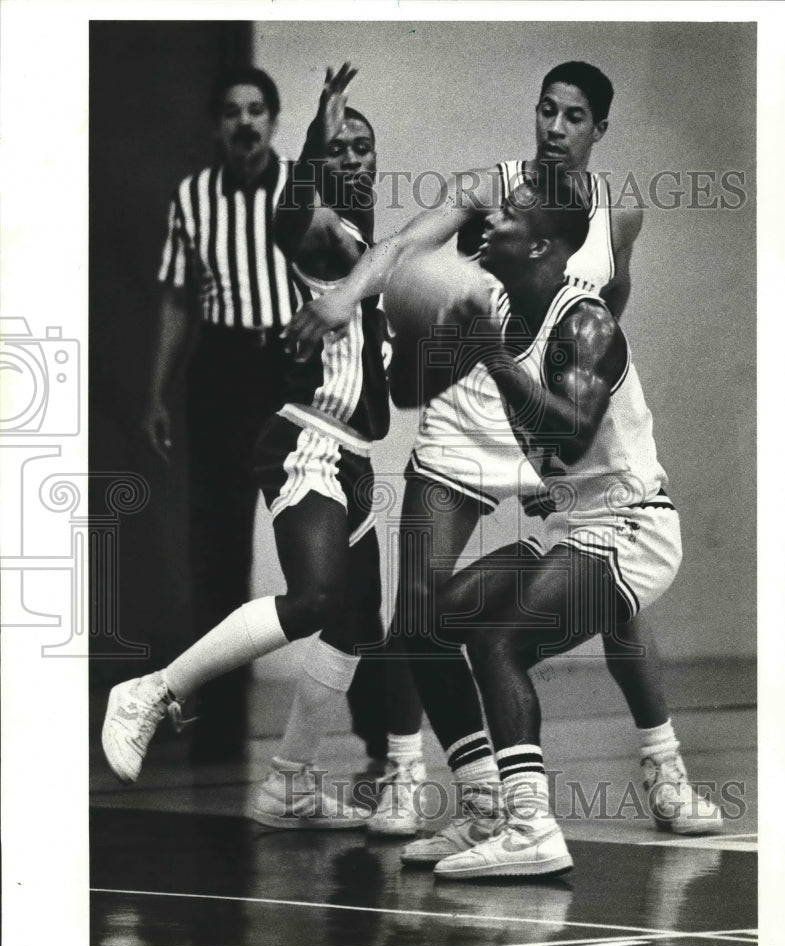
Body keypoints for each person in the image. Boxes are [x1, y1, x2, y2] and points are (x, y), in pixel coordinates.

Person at [283, 62, 722, 858]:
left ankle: (654, 773)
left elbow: (598, 326)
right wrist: (354, 299)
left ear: (598, 129)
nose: (554, 127)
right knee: (428, 614)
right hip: (485, 424)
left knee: (580, 611)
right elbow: (401, 260)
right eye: (546, 110)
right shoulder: (492, 197)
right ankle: (465, 790)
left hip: (571, 452)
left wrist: (567, 376)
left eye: (573, 115)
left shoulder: (605, 236)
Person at [103, 65, 397, 829]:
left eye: (364, 148)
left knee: (357, 624)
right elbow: (286, 218)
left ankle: (290, 783)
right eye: (343, 149)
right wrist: (312, 141)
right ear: (321, 162)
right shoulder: (327, 237)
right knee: (315, 598)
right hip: (309, 439)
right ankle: (154, 689)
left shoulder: (368, 250)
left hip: (354, 449)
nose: (354, 160)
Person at [390, 176, 692, 877]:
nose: (489, 219)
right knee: (422, 621)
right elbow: (403, 395)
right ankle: (484, 809)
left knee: (501, 638)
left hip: (631, 528)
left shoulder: (583, 322)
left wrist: (491, 359)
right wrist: (417, 330)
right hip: (577, 523)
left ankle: (531, 827)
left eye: (509, 214)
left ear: (547, 246)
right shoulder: (495, 309)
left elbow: (575, 435)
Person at [147, 66, 300, 763]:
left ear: (273, 121)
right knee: (217, 553)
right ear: (218, 125)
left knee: (321, 545)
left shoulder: (303, 188)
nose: (245, 122)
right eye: (232, 111)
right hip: (221, 373)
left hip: (291, 369)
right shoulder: (193, 196)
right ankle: (215, 722)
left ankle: (358, 730)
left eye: (257, 110)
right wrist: (156, 391)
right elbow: (179, 302)